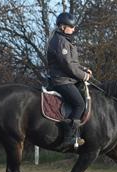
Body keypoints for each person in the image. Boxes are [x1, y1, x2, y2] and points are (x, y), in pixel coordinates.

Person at [47, 12, 92, 148]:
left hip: (68, 79)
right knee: (79, 104)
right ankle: (69, 138)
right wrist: (84, 76)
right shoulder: (60, 42)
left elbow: (73, 63)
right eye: (71, 27)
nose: (73, 29)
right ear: (62, 27)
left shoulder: (65, 41)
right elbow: (67, 66)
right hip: (62, 80)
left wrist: (84, 69)